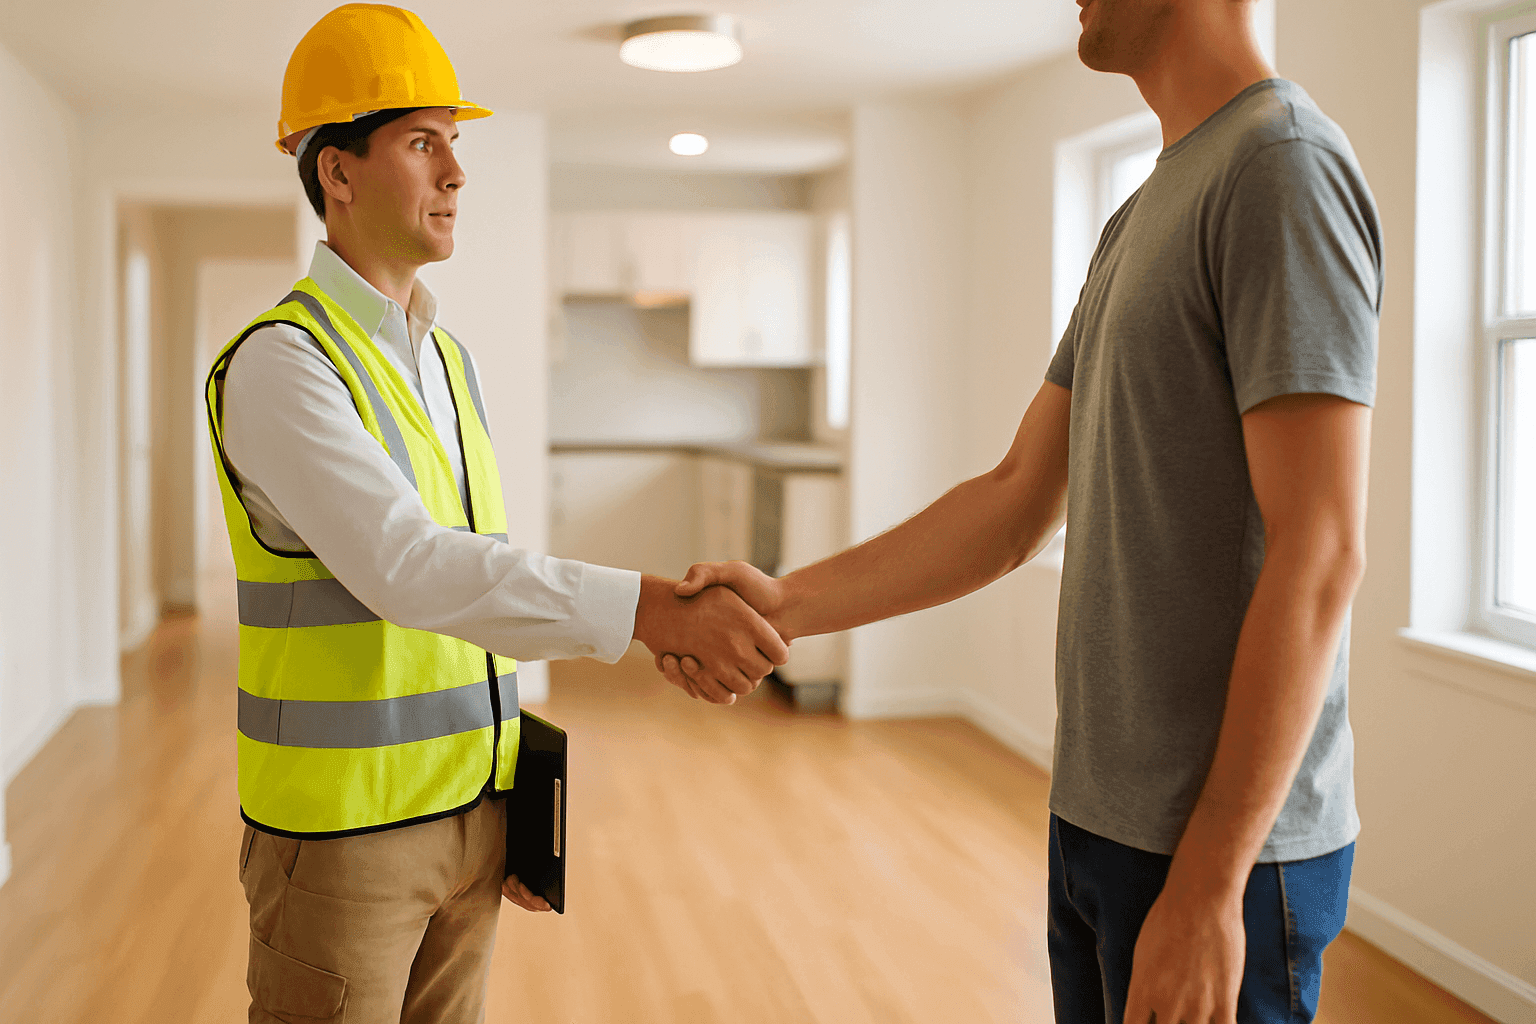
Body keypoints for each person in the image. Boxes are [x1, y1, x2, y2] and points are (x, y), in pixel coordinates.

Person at [662, 0, 1380, 1020]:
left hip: (1220, 850)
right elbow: (1013, 502)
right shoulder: (1142, 212)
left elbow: (1323, 548)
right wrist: (782, 603)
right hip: (1100, 816)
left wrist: (1214, 879)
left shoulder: (1281, 167)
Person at [208, 5, 787, 1021]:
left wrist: (513, 792)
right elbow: (411, 566)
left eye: (455, 143)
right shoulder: (281, 363)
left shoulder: (442, 356)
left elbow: (476, 572)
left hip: (468, 813)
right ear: (335, 172)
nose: (456, 173)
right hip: (345, 843)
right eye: (423, 142)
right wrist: (654, 607)